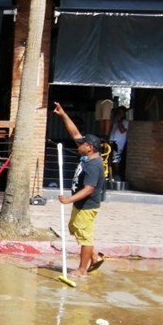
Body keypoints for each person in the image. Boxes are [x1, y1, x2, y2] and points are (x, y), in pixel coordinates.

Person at [53, 102, 107, 275]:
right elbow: (75, 132)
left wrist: (69, 200)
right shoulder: (88, 157)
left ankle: (82, 270)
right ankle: (95, 257)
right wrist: (62, 114)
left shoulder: (93, 166)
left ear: (89, 148)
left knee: (85, 236)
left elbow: (89, 189)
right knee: (76, 228)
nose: (79, 144)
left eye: (82, 144)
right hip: (81, 204)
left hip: (87, 205)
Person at [108, 106, 129, 180]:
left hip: (119, 142)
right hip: (112, 140)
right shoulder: (115, 121)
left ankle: (116, 174)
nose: (118, 114)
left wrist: (119, 121)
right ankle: (110, 174)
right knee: (109, 157)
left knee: (116, 158)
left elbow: (122, 131)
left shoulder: (125, 122)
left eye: (120, 113)